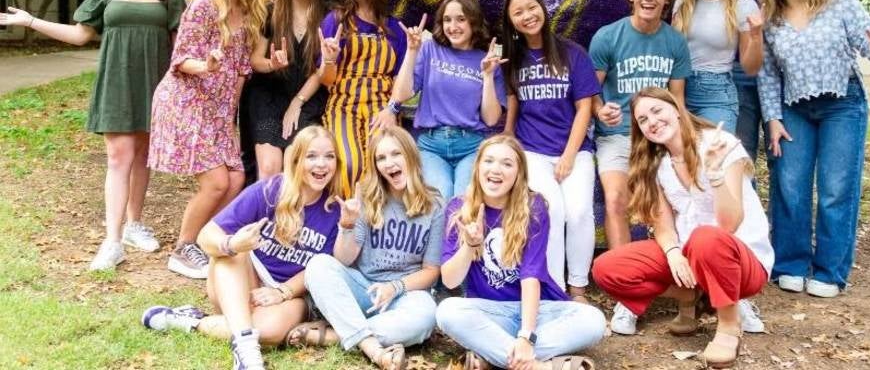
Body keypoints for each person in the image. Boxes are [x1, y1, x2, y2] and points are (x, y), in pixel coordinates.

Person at [0, 0, 185, 270]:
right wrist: (31, 22)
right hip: (116, 83)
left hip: (154, 85)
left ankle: (134, 225)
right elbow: (79, 35)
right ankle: (112, 241)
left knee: (142, 155)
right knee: (119, 157)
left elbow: (180, 46)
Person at [591, 88, 773, 369]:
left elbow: (728, 225)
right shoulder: (657, 163)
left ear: (676, 108)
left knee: (707, 237)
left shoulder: (719, 143)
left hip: (741, 261)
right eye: (642, 119)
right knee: (608, 268)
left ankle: (728, 324)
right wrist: (674, 253)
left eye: (656, 111)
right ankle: (693, 294)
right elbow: (663, 225)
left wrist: (714, 174)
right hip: (693, 257)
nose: (651, 121)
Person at [141, 126, 342, 370]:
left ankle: (190, 321)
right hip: (240, 282)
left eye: (329, 156)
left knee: (268, 332)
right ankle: (247, 353)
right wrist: (232, 244)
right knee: (233, 249)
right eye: (312, 156)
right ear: (297, 159)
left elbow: (320, 267)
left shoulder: (336, 210)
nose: (321, 164)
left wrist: (282, 292)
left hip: (288, 293)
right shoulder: (269, 191)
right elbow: (207, 236)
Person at [759, 0, 870, 297]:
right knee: (790, 186)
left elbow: (866, 39)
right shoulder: (769, 16)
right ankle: (790, 263)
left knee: (835, 189)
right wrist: (772, 117)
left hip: (842, 104)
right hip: (793, 109)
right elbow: (768, 73)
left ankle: (830, 271)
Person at [148, 0, 267, 280]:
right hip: (186, 99)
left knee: (236, 177)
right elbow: (181, 60)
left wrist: (230, 117)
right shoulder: (203, 6)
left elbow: (244, 68)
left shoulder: (251, 10)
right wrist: (207, 66)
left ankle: (204, 238)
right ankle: (183, 248)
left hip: (218, 108)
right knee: (216, 181)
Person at [436, 135, 605, 370]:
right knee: (447, 311)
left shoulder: (533, 208)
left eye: (507, 164)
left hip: (536, 310)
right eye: (489, 161)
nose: (496, 169)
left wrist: (526, 336)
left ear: (519, 173)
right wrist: (470, 246)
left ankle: (495, 354)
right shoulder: (459, 208)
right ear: (477, 168)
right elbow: (449, 280)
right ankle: (539, 367)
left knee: (593, 320)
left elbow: (530, 277)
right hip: (489, 311)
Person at [588, 0, 691, 331]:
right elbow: (591, 92)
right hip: (616, 136)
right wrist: (603, 109)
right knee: (616, 198)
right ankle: (624, 290)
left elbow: (677, 99)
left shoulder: (674, 41)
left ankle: (686, 280)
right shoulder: (608, 37)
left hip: (658, 136)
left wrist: (685, 141)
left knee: (671, 201)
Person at [292, 126, 444, 370]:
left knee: (426, 315)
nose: (389, 163)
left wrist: (395, 287)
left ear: (411, 156)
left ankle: (336, 333)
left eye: (396, 154)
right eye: (381, 158)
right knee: (319, 265)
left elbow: (431, 271)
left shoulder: (434, 205)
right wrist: (347, 225)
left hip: (403, 295)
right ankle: (367, 341)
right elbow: (343, 259)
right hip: (363, 287)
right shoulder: (368, 196)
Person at [500, 0, 599, 299]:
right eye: (518, 13)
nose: (527, 16)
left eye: (531, 8)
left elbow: (585, 107)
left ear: (542, 9)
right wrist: (506, 143)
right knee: (551, 210)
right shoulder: (512, 60)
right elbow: (513, 109)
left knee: (580, 212)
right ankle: (554, 289)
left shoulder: (572, 52)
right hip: (532, 151)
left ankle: (578, 287)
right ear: (511, 21)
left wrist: (569, 155)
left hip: (575, 150)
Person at [389, 0, 505, 199]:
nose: (453, 26)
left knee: (464, 200)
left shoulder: (486, 59)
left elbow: (491, 118)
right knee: (440, 197)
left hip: (471, 144)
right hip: (431, 144)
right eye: (447, 20)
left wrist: (487, 76)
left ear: (473, 22)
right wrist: (412, 51)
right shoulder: (430, 49)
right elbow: (401, 95)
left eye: (461, 19)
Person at [318, 0, 407, 198]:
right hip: (343, 106)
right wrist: (329, 59)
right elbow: (327, 81)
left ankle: (376, 230)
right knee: (349, 164)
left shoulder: (392, 27)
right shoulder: (335, 21)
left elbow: (402, 80)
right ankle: (348, 228)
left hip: (381, 108)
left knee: (380, 165)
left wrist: (393, 109)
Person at [245, 0, 328, 180]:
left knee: (295, 164)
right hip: (269, 96)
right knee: (270, 168)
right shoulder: (272, 12)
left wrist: (297, 102)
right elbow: (255, 61)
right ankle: (265, 216)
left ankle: (292, 216)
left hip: (307, 97)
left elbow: (322, 70)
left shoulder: (327, 15)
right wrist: (271, 64)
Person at [673, 0, 763, 134]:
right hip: (678, 87)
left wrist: (756, 37)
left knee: (713, 159)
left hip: (716, 91)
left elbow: (751, 67)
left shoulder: (742, 4)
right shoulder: (684, 1)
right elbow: (673, 51)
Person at [725, 0, 779, 163]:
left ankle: (781, 207)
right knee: (741, 151)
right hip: (739, 65)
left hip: (779, 66)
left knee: (782, 152)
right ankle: (746, 205)